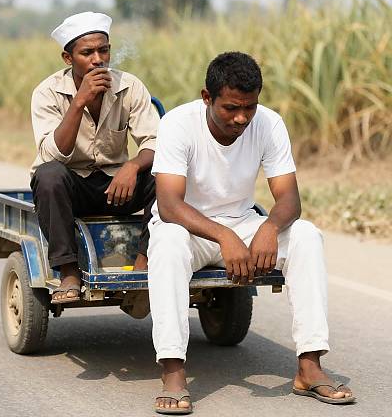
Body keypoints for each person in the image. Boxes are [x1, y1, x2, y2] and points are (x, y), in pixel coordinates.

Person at [148, 51, 355, 414]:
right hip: (188, 228)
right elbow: (169, 205)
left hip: (244, 222)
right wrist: (224, 237)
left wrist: (271, 227)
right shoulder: (178, 124)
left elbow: (289, 197)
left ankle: (309, 365)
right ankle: (173, 370)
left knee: (305, 235)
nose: (242, 118)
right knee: (165, 242)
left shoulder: (269, 123)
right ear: (206, 97)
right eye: (230, 108)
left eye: (250, 107)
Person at [30, 11, 159, 304]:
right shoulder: (47, 93)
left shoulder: (130, 86)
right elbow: (52, 154)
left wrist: (132, 165)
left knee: (164, 175)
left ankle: (143, 265)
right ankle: (69, 272)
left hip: (117, 186)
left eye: (104, 50)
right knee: (49, 174)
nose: (98, 59)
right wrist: (79, 103)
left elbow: (156, 141)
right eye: (87, 53)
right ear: (68, 58)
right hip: (72, 188)